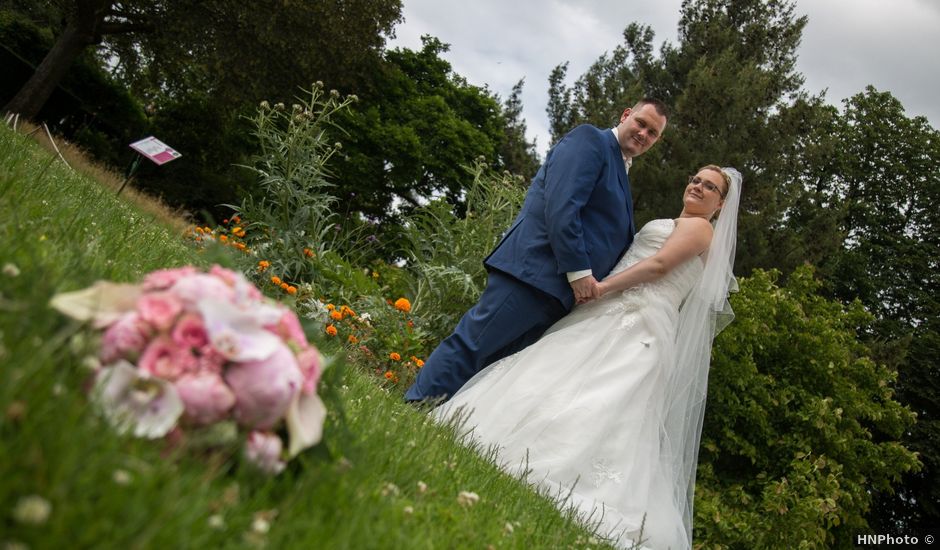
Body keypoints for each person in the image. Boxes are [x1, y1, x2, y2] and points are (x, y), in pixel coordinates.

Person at [434, 166, 741, 550]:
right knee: (562, 373)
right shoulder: (680, 221)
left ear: (721, 203)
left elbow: (660, 266)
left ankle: (555, 467)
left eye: (709, 186)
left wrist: (602, 288)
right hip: (616, 309)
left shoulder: (701, 229)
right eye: (695, 179)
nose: (698, 186)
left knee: (601, 397)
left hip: (638, 321)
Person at [405, 99, 669, 402]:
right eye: (641, 123)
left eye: (652, 133)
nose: (643, 134)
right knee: (474, 344)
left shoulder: (620, 169)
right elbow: (562, 206)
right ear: (626, 115)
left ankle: (439, 420)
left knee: (498, 365)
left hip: (559, 291)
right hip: (534, 270)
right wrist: (580, 272)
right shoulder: (590, 141)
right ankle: (413, 407)